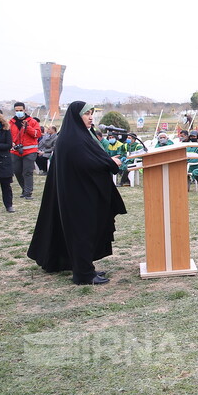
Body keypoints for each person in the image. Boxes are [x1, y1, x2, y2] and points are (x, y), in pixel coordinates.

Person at [27, 101, 127, 285]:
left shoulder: (79, 136)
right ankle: (83, 274)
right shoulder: (72, 139)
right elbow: (87, 163)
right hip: (78, 196)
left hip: (80, 193)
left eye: (91, 113)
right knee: (82, 233)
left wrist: (108, 161)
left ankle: (84, 266)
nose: (90, 117)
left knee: (86, 232)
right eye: (86, 114)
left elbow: (92, 158)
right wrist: (110, 163)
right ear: (75, 116)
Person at [8, 101, 42, 200]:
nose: (19, 112)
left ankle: (28, 192)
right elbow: (8, 135)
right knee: (17, 171)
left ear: (25, 110)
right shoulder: (11, 123)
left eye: (20, 110)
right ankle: (24, 189)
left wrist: (27, 127)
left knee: (27, 172)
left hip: (29, 151)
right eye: (16, 110)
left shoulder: (32, 121)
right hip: (15, 151)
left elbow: (38, 134)